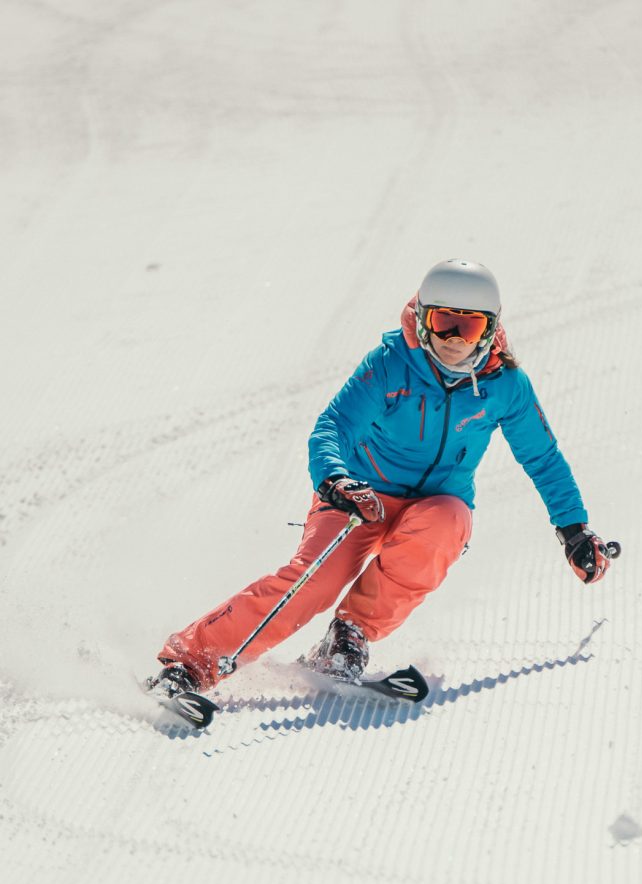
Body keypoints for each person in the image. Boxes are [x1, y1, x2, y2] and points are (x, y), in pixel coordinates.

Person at [149, 259, 617, 696]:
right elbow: (333, 426)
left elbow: (543, 458)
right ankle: (189, 664)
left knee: (449, 521)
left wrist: (573, 529)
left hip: (433, 506)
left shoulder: (504, 385)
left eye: (469, 325)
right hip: (359, 497)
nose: (454, 338)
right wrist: (335, 480)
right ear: (423, 318)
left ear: (490, 329)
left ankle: (349, 634)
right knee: (315, 582)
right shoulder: (392, 363)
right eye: (443, 323)